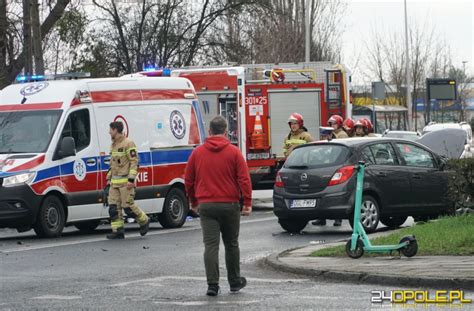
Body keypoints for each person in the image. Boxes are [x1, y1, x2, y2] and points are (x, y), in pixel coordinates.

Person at [185, 116, 252, 297]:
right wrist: (247, 203)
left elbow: (188, 180)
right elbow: (244, 179)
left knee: (211, 245)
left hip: (206, 205)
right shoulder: (234, 152)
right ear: (225, 131)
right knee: (231, 243)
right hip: (230, 204)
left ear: (209, 131)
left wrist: (194, 201)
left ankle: (212, 285)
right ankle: (235, 281)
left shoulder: (197, 153)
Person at [106, 121, 150, 239]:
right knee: (113, 208)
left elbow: (134, 162)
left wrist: (131, 180)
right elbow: (113, 163)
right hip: (114, 183)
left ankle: (144, 221)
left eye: (110, 129)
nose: (109, 132)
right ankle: (118, 231)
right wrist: (109, 178)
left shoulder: (128, 143)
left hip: (125, 182)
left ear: (115, 130)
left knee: (128, 207)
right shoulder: (113, 145)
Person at [312, 115, 346, 227]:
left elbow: (339, 147)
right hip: (327, 164)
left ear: (339, 124)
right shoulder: (332, 134)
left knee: (334, 193)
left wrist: (331, 137)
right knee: (321, 193)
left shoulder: (342, 135)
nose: (332, 126)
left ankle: (338, 218)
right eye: (330, 124)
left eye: (334, 124)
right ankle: (321, 218)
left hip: (337, 165)